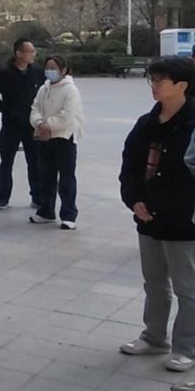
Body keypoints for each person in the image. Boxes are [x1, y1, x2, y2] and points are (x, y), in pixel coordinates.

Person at [119, 56, 195, 376]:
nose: (154, 85)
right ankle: (154, 336)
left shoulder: (191, 125)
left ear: (182, 85)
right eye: (152, 79)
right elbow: (130, 166)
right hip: (148, 218)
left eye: (160, 80)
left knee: (187, 289)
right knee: (154, 282)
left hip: (183, 220)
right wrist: (134, 200)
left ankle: (186, 348)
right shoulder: (146, 123)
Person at [0, 38, 45, 210]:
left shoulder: (37, 72)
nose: (32, 55)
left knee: (34, 162)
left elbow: (44, 94)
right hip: (11, 125)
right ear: (18, 53)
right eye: (29, 51)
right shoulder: (5, 73)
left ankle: (37, 196)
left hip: (32, 125)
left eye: (33, 51)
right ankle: (3, 197)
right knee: (6, 162)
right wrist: (6, 110)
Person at [28, 55, 84, 230]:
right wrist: (39, 123)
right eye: (47, 67)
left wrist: (48, 126)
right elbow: (35, 108)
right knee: (46, 176)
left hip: (64, 138)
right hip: (44, 137)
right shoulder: (43, 88)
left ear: (63, 70)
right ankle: (46, 211)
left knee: (66, 178)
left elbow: (67, 116)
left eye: (53, 68)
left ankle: (69, 215)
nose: (49, 71)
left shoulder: (70, 90)